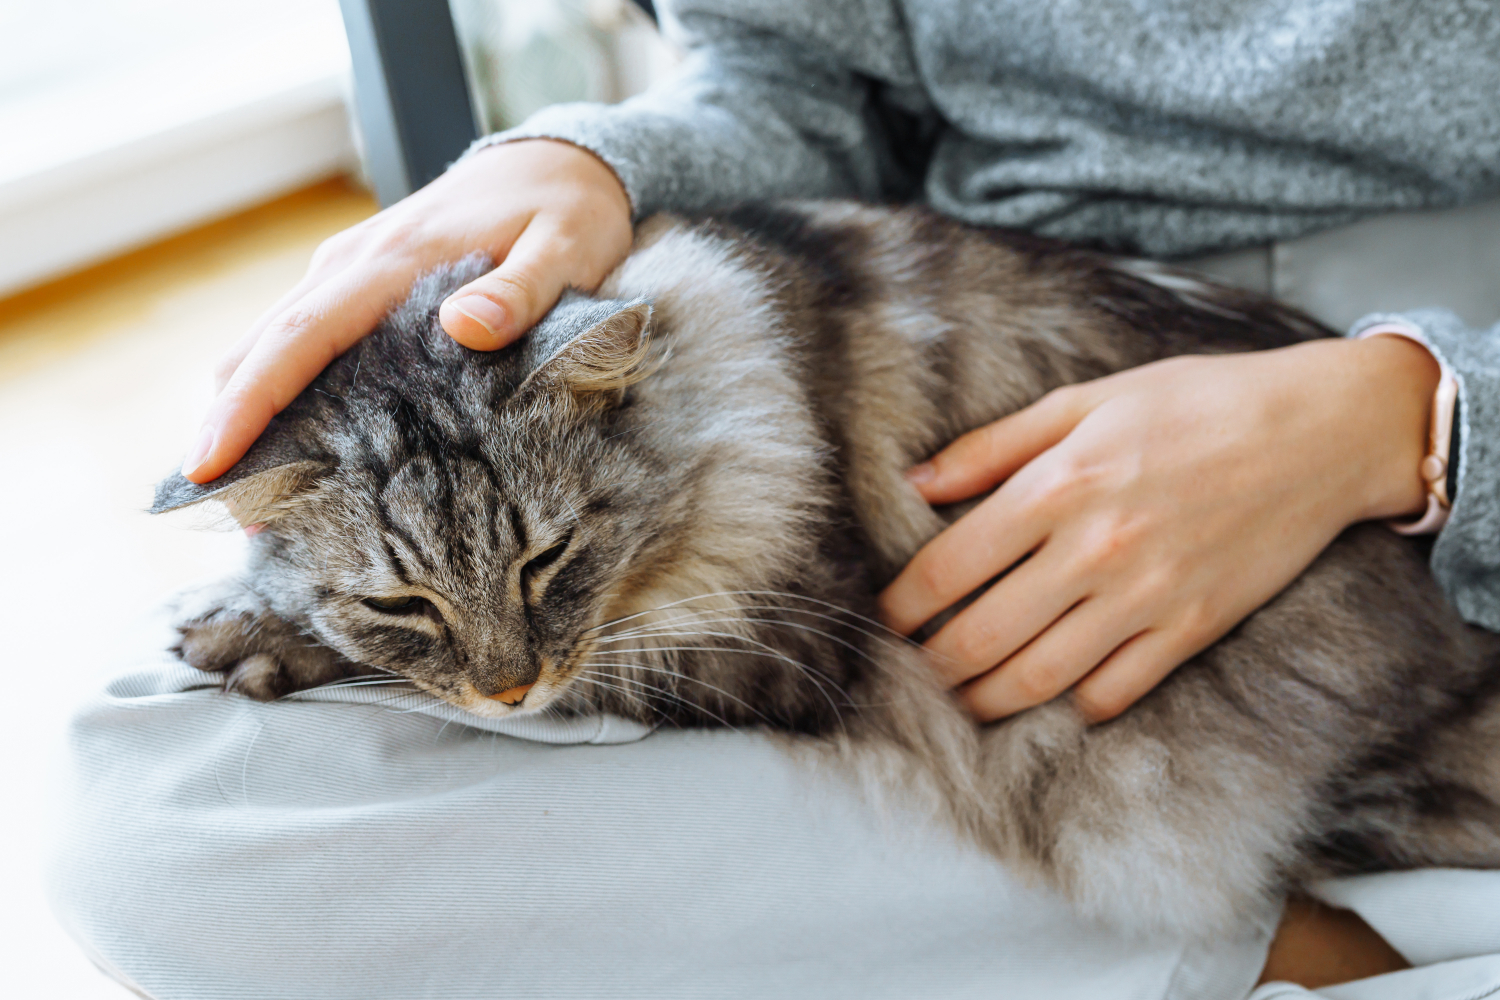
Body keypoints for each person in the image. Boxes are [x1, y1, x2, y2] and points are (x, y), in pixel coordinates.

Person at [58, 1, 1500, 996]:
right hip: (1007, 288)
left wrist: (1421, 422)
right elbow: (785, 90)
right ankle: (1304, 944)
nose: (503, 685)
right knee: (151, 804)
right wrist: (588, 164)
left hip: (1442, 396)